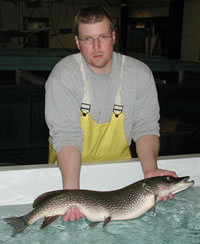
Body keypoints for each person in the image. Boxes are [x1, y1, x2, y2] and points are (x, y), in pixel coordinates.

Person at [45, 6, 177, 222]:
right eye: (88, 39)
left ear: (114, 37)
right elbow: (66, 136)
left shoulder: (139, 74)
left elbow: (145, 128)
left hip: (119, 178)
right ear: (77, 42)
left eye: (103, 37)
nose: (96, 47)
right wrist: (71, 194)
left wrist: (150, 169)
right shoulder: (63, 75)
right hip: (69, 174)